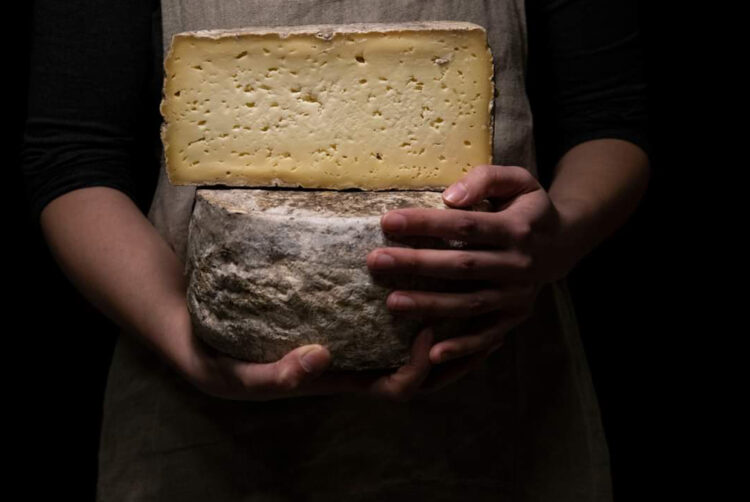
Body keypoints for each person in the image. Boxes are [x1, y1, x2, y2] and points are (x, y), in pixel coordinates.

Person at [22, 0, 649, 499]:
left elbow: (612, 120)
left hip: (496, 384)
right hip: (199, 397)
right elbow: (71, 156)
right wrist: (177, 334)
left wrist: (552, 242)